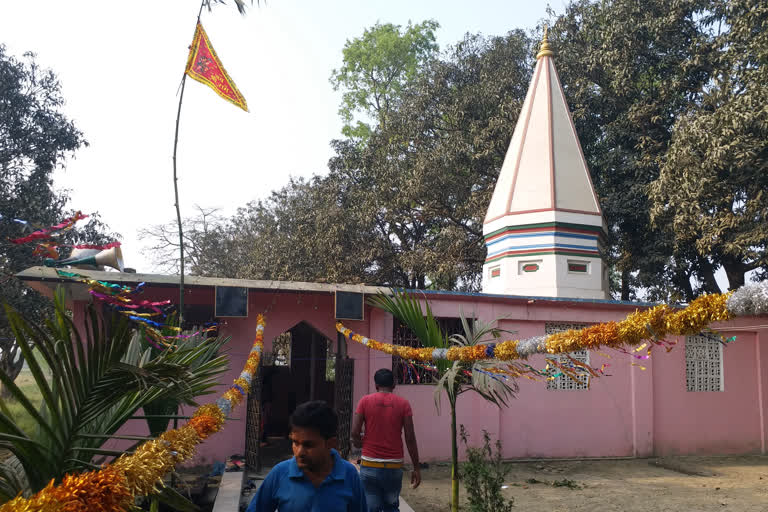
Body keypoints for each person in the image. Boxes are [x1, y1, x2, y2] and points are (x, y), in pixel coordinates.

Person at [246, 400, 367, 512]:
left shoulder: (350, 475)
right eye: (295, 442)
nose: (299, 452)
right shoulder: (280, 473)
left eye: (308, 445)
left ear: (331, 444)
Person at [351, 368, 421, 512]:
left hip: (370, 464)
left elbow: (354, 432)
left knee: (371, 507)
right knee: (391, 506)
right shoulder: (404, 404)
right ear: (394, 384)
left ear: (376, 385)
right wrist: (416, 468)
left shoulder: (365, 401)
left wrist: (359, 442)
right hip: (393, 467)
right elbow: (410, 438)